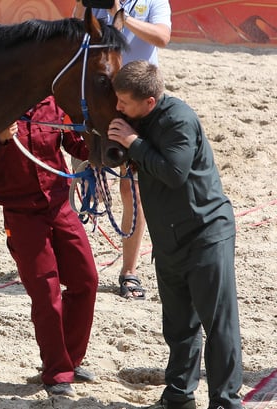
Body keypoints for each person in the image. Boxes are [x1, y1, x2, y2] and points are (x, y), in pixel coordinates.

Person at [107, 60, 243, 409]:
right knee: (179, 324)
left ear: (149, 102)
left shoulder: (179, 119)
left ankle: (226, 402)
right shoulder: (134, 121)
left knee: (218, 325)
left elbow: (174, 172)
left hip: (206, 233)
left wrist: (134, 143)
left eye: (123, 101)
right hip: (168, 239)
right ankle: (179, 397)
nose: (117, 107)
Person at [0, 96, 99, 397]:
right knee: (46, 293)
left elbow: (77, 146)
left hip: (60, 205)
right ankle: (57, 372)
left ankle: (70, 361)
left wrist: (103, 140)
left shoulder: (54, 103)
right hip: (21, 213)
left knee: (86, 280)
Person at [74, 0, 172, 300]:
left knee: (133, 191)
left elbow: (162, 38)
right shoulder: (95, 2)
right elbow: (73, 34)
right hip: (98, 97)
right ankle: (69, 260)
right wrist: (83, 7)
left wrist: (122, 17)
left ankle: (129, 271)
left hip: (138, 101)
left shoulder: (153, 1)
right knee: (78, 175)